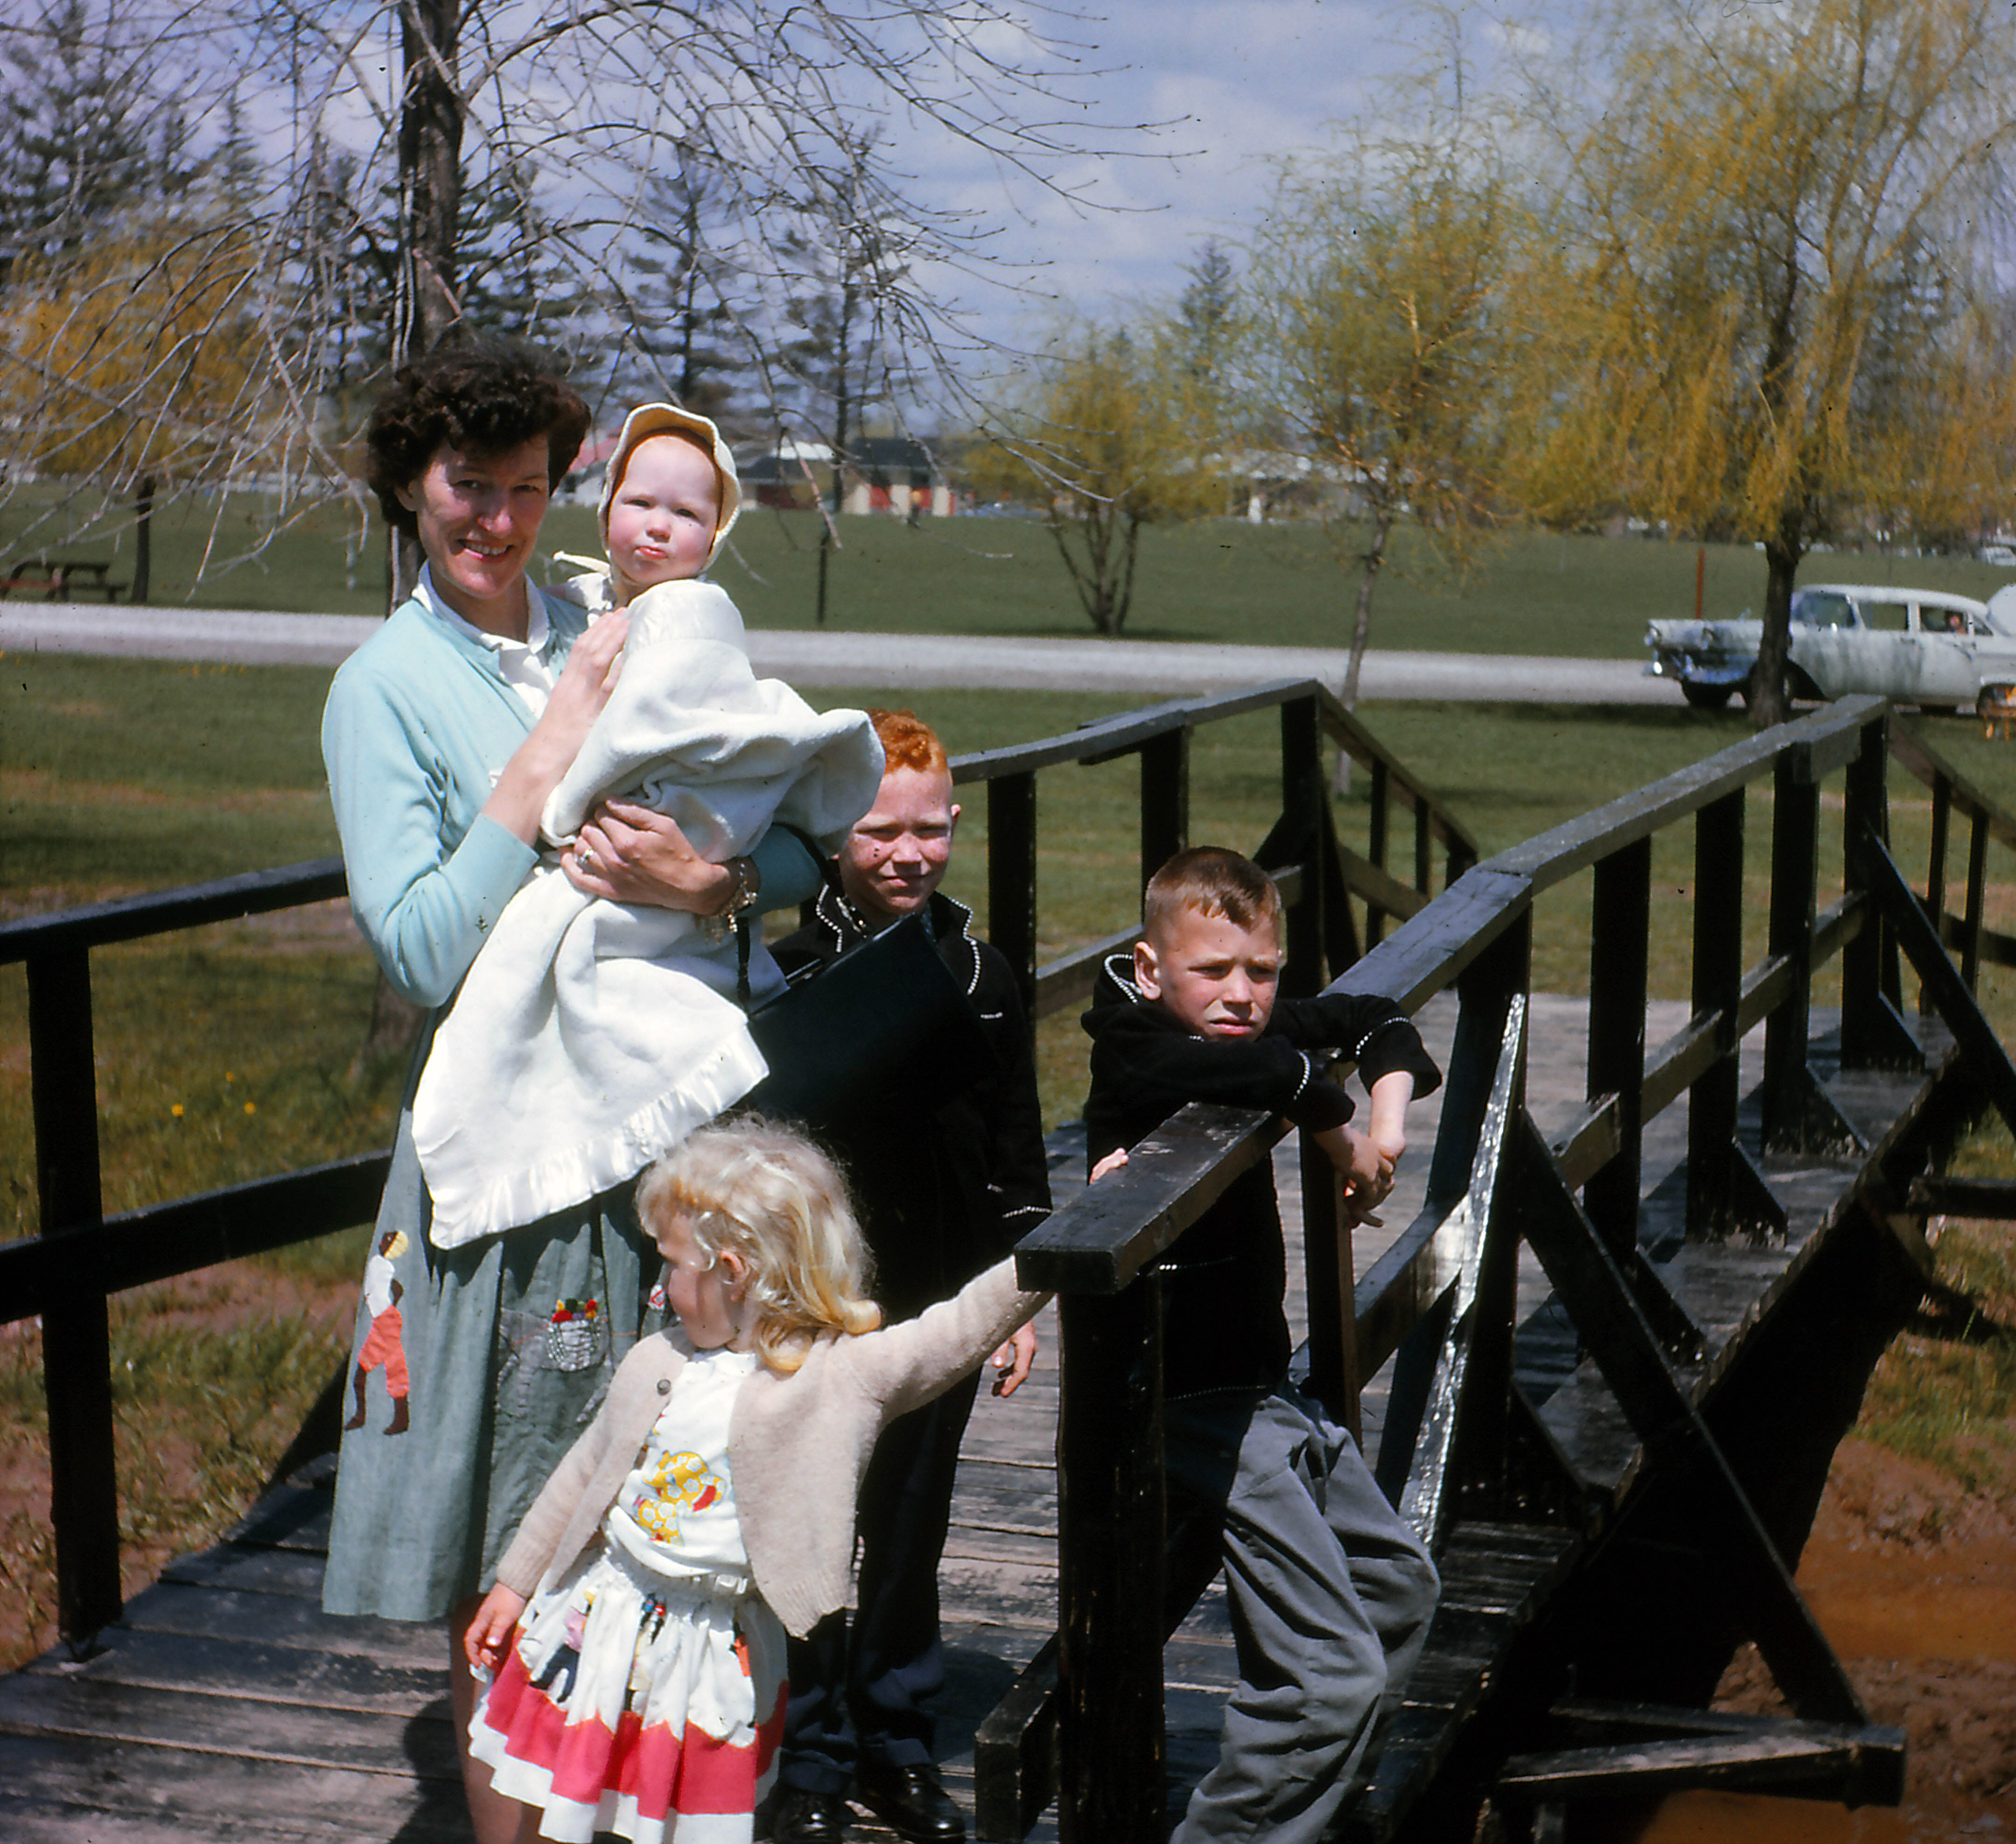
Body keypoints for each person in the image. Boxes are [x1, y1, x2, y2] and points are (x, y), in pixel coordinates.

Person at [319, 343, 825, 1844]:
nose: (499, 518)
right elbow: (419, 947)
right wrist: (549, 746)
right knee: (518, 1548)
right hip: (504, 1170)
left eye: (529, 487)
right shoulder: (384, 689)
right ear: (411, 488)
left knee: (667, 1526)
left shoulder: (629, 614)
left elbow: (795, 839)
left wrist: (715, 881)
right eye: (468, 486)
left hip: (655, 1145)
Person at [460, 1116, 1051, 1844]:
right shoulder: (659, 1360)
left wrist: (1050, 1253)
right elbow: (584, 1472)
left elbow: (955, 1329)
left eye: (673, 1265)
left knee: (684, 1820)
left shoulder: (839, 1378)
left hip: (712, 1645)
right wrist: (516, 1582)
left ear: (734, 1272)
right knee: (565, 1801)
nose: (661, 1287)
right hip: (602, 1619)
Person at [409, 402, 882, 1247]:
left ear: (716, 537)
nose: (657, 530)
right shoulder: (568, 620)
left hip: (673, 887)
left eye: (687, 515)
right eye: (640, 503)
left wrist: (708, 879)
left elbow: (742, 792)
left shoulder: (692, 625)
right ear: (603, 509)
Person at [1080, 846, 1444, 1844]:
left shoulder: (1235, 1019)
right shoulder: (1133, 1041)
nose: (1242, 994)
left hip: (1262, 1387)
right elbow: (1269, 1066)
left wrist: (1388, 1129)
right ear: (1152, 970)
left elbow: (1378, 1018)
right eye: (1213, 971)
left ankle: (1314, 1815)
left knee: (1402, 1589)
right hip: (1186, 1396)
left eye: (1263, 971)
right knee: (1332, 1673)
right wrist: (1336, 1133)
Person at [767, 710, 1052, 1844]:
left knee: (910, 1523)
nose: (906, 854)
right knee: (809, 1520)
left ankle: (895, 1738)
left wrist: (1019, 1292)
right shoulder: (787, 969)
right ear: (835, 834)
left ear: (955, 825)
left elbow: (1015, 1138)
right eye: (879, 831)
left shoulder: (982, 971)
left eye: (928, 831)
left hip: (938, 1296)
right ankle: (811, 1745)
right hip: (815, 1300)